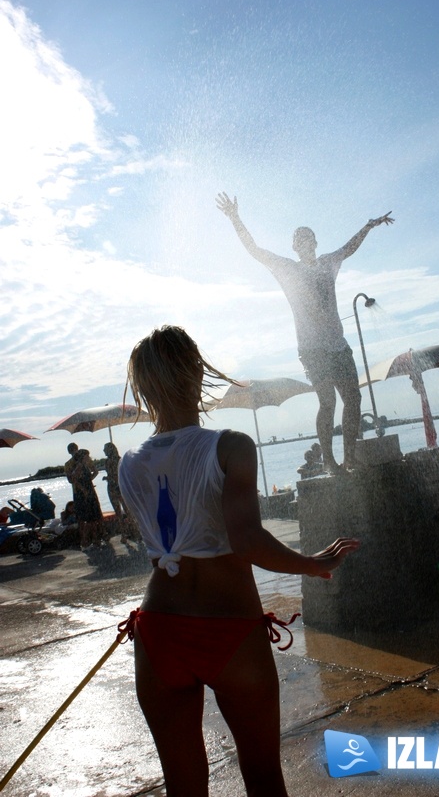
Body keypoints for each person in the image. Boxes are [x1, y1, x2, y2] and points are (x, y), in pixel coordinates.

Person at [117, 325, 360, 797]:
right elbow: (246, 541)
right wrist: (313, 563)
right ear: (197, 373)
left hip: (158, 630)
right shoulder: (230, 446)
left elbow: (168, 543)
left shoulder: (129, 462)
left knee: (184, 785)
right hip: (227, 626)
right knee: (263, 775)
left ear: (144, 389)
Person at [216, 192, 394, 473]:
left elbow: (349, 248)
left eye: (308, 238)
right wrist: (235, 218)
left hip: (338, 345)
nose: (305, 243)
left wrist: (369, 226)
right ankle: (330, 461)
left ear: (314, 242)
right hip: (312, 349)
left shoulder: (327, 263)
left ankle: (350, 457)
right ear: (295, 247)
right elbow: (255, 250)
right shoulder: (288, 269)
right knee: (328, 401)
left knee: (354, 399)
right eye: (300, 240)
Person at [68, 448, 104, 549]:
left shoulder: (85, 465)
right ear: (83, 456)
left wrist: (89, 481)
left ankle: (95, 540)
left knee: (93, 518)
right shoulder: (79, 465)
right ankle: (85, 542)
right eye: (87, 455)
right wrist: (83, 489)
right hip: (84, 494)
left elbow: (95, 472)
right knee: (88, 519)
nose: (88, 457)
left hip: (89, 490)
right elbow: (74, 479)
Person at [102, 442, 136, 542]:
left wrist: (108, 477)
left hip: (113, 487)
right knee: (127, 510)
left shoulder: (108, 461)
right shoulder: (120, 459)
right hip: (120, 486)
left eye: (105, 449)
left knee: (119, 512)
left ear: (109, 450)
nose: (104, 451)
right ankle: (134, 531)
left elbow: (113, 475)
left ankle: (124, 534)